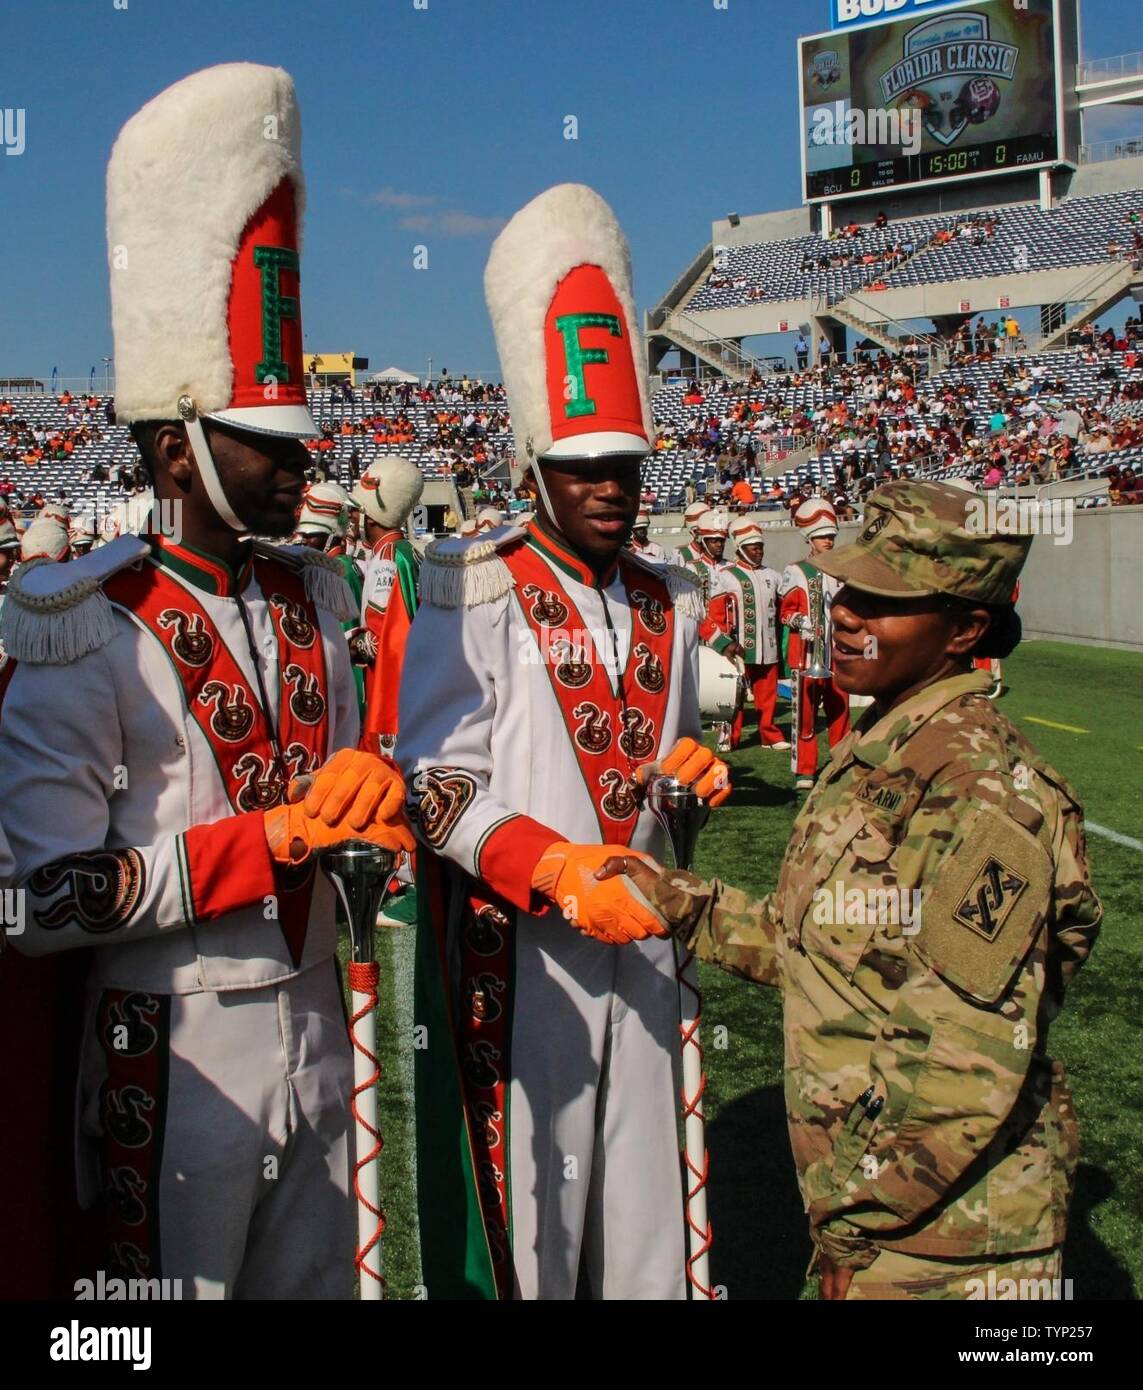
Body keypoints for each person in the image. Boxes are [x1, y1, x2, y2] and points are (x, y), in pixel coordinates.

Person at [0, 63, 413, 1300]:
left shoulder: (312, 595)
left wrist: (368, 803)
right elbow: (32, 904)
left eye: (300, 440)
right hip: (163, 1037)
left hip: (312, 1020)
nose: (301, 466)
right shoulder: (82, 620)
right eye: (265, 441)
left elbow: (345, 821)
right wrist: (267, 840)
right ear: (178, 443)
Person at [605, 479, 1102, 1300]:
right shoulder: (890, 745)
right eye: (847, 590)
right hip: (893, 1214)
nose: (844, 614)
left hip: (945, 1237)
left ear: (965, 629)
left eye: (882, 600)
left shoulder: (979, 793)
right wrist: (686, 903)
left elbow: (962, 1056)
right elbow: (833, 948)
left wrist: (856, 1218)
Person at [397, 182, 727, 1301]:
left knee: (649, 1240)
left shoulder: (671, 597)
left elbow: (663, 773)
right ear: (534, 458)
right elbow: (432, 784)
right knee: (532, 1229)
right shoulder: (470, 585)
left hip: (646, 946)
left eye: (625, 465)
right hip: (525, 956)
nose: (610, 488)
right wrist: (548, 865)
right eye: (584, 464)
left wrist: (690, 782)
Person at [351, 456, 424, 753]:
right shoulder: (408, 552)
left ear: (369, 517)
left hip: (390, 694)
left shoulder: (385, 560)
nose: (352, 518)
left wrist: (343, 643)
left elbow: (380, 643)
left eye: (357, 512)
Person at [780, 497, 850, 789]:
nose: (828, 542)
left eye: (831, 536)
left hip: (837, 654)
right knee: (806, 716)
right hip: (806, 655)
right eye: (822, 537)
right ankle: (805, 771)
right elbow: (784, 613)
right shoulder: (796, 571)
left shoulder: (845, 569)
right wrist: (802, 622)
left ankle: (842, 762)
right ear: (810, 539)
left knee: (841, 711)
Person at [723, 517, 788, 750]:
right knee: (734, 694)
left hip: (768, 644)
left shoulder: (775, 575)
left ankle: (769, 736)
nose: (759, 551)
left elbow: (785, 606)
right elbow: (718, 613)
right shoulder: (725, 576)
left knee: (768, 694)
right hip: (737, 647)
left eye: (760, 547)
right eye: (753, 547)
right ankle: (729, 737)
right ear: (740, 548)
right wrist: (724, 642)